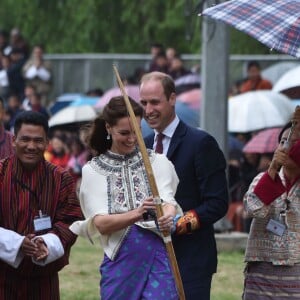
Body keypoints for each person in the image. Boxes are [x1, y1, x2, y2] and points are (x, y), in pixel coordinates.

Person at [70, 96, 183, 300]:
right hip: (121, 259)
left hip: (158, 254)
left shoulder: (157, 161)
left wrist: (168, 215)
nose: (132, 138)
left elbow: (168, 201)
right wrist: (137, 214)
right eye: (124, 133)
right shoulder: (93, 171)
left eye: (137, 131)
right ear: (108, 128)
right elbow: (101, 223)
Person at [140, 71, 229, 300]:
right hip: (149, 259)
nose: (148, 110)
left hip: (191, 260)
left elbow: (217, 203)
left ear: (172, 99)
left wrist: (177, 224)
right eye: (144, 103)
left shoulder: (201, 143)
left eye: (155, 102)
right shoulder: (144, 145)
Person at [0, 111, 83, 300]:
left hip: (43, 280)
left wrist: (45, 243)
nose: (31, 146)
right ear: (14, 140)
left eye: (38, 140)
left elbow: (71, 221)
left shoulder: (61, 178)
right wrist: (18, 244)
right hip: (3, 277)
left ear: (47, 143)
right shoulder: (1, 173)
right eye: (25, 139)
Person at [243, 116, 300, 299]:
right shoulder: (263, 178)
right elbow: (252, 208)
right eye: (282, 141)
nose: (285, 147)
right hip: (261, 272)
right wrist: (273, 170)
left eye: (293, 142)